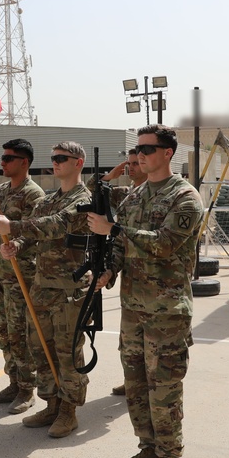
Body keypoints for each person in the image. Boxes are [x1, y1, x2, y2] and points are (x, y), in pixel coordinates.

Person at [86, 124, 202, 458]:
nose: (138, 156)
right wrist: (108, 269)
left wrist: (115, 231)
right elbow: (121, 247)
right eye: (136, 150)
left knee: (163, 386)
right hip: (133, 309)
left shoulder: (185, 197)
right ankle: (148, 448)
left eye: (146, 150)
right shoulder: (135, 197)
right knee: (135, 385)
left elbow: (165, 243)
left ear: (167, 153)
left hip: (167, 311)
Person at [0, 141, 91, 439]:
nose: (56, 162)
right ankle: (52, 403)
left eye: (62, 158)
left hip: (68, 289)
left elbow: (57, 225)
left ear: (79, 163)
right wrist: (16, 245)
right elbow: (35, 235)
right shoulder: (49, 198)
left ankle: (69, 411)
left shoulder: (83, 198)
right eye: (54, 158)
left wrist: (15, 228)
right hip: (43, 285)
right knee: (41, 348)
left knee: (67, 351)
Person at [0, 139, 45, 414]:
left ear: (24, 162)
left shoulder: (35, 195)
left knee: (21, 333)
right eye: (2, 157)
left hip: (23, 275)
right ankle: (13, 381)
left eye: (9, 158)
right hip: (1, 275)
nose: (3, 162)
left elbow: (37, 233)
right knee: (5, 332)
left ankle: (26, 388)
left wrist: (16, 244)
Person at [91, 148, 145, 397]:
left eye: (136, 163)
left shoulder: (165, 195)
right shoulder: (127, 195)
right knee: (129, 340)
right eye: (129, 164)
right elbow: (95, 190)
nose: (131, 168)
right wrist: (110, 175)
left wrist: (112, 230)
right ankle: (132, 380)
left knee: (154, 343)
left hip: (156, 281)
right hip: (131, 280)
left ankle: (145, 384)